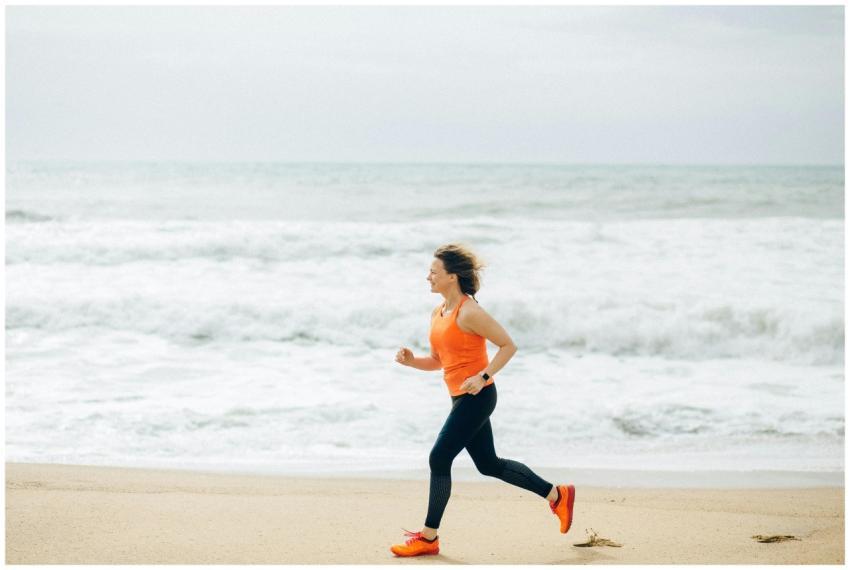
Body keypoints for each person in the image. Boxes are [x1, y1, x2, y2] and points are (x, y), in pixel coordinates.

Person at [389, 243, 575, 558]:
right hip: (460, 398)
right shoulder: (439, 312)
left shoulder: (470, 311)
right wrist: (411, 362)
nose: (428, 277)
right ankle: (557, 495)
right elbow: (438, 360)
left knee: (439, 457)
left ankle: (429, 538)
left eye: (433, 272)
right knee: (489, 464)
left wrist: (484, 377)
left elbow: (508, 345)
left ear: (452, 276)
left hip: (478, 397)